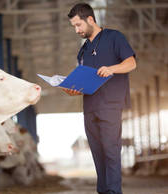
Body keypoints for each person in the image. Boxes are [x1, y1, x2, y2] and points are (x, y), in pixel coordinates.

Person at [64, 3, 136, 194]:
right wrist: (73, 89)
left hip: (110, 105)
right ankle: (103, 191)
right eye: (74, 27)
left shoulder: (114, 37)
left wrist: (111, 68)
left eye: (78, 25)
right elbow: (85, 81)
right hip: (90, 107)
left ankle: (113, 192)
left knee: (111, 151)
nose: (77, 30)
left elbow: (131, 63)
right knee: (98, 153)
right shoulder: (83, 51)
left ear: (90, 19)